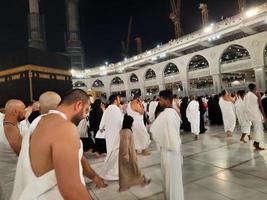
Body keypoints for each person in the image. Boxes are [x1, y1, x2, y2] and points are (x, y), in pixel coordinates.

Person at [11, 89, 92, 199]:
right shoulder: (63, 127)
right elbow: (72, 188)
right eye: (86, 110)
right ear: (78, 105)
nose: (85, 115)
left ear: (40, 109)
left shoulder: (36, 123)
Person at [150, 90, 184, 200]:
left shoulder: (164, 115)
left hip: (167, 152)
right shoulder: (174, 113)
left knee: (169, 179)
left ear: (165, 100)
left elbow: (154, 131)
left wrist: (161, 141)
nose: (159, 101)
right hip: (176, 151)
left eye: (160, 99)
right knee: (176, 179)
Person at [0, 100, 26, 200]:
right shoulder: (10, 129)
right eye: (23, 110)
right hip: (13, 178)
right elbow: (22, 152)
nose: (25, 112)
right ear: (15, 112)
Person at [119, 115, 151, 192]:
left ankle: (125, 186)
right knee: (135, 169)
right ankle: (143, 181)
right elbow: (125, 144)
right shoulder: (127, 131)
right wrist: (125, 155)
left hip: (126, 154)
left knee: (125, 171)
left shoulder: (122, 131)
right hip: (129, 154)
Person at [99, 94, 123, 181]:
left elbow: (102, 122)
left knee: (111, 152)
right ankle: (112, 173)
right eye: (119, 98)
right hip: (116, 135)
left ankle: (111, 172)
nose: (120, 100)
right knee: (115, 153)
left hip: (109, 135)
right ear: (115, 100)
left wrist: (101, 128)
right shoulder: (116, 109)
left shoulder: (107, 109)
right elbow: (121, 122)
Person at [244, 84, 266, 150]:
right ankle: (256, 144)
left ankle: (256, 143)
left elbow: (247, 107)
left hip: (254, 114)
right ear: (254, 88)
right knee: (258, 128)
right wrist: (264, 116)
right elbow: (260, 105)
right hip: (256, 114)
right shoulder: (253, 95)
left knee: (258, 128)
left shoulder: (248, 95)